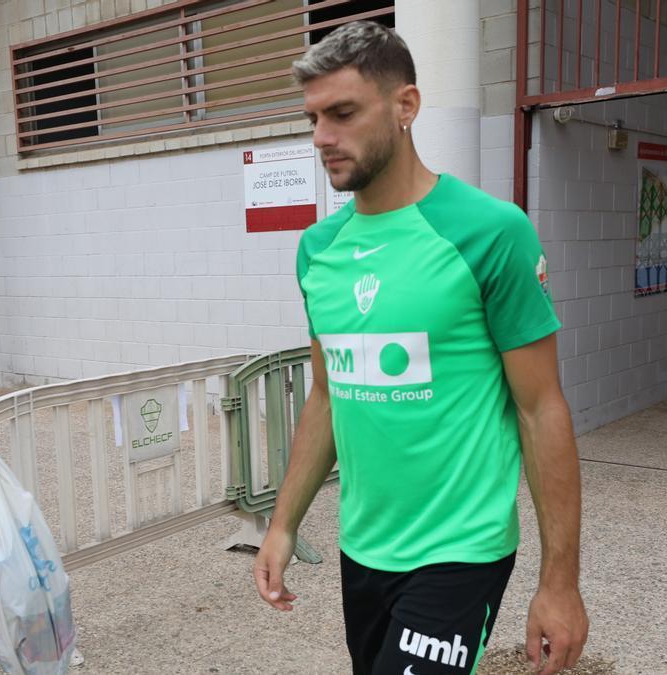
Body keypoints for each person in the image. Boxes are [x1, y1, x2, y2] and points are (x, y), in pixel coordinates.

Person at [251, 20, 589, 675]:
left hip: (459, 553)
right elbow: (327, 393)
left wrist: (560, 582)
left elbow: (542, 407)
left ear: (405, 106)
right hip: (365, 550)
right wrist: (283, 522)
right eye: (314, 118)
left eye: (342, 113)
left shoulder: (490, 232)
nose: (322, 137)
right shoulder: (317, 251)